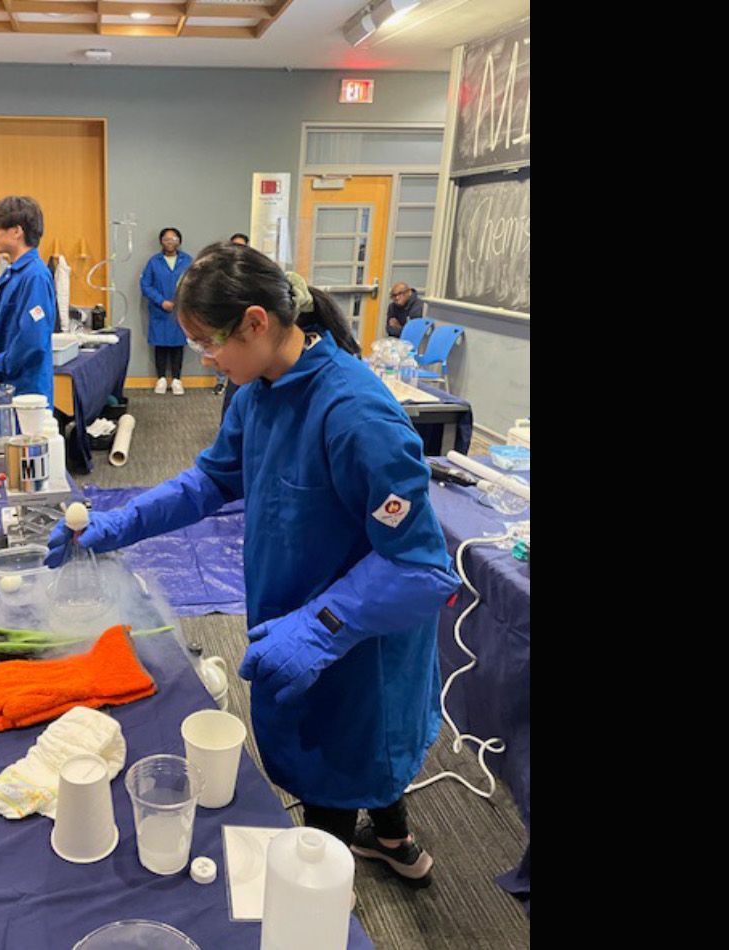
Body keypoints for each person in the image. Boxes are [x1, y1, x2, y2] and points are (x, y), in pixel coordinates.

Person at [45, 242, 459, 888]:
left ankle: (324, 893)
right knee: (344, 758)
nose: (204, 359)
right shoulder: (257, 389)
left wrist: (321, 625)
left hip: (358, 645)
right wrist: (116, 526)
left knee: (338, 773)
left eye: (209, 344)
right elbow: (208, 483)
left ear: (257, 323)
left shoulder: (354, 414)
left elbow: (423, 570)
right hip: (299, 615)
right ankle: (394, 834)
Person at [0, 196, 56, 408]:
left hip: (25, 388)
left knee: (24, 440)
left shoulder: (35, 277)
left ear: (17, 231)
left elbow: (32, 340)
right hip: (6, 382)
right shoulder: (12, 274)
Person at [140, 227, 192, 395]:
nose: (170, 242)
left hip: (179, 310)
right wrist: (161, 301)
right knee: (160, 345)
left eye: (174, 239)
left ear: (179, 241)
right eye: (167, 239)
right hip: (159, 310)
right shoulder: (154, 262)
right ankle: (161, 378)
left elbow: (194, 283)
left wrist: (179, 301)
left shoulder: (187, 260)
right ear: (161, 241)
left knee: (178, 345)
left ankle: (177, 379)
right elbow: (146, 285)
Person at [215, 234, 251, 397]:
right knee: (222, 351)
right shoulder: (221, 267)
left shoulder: (251, 268)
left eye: (241, 246)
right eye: (235, 245)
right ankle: (220, 383)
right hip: (225, 316)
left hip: (243, 317)